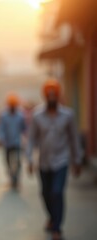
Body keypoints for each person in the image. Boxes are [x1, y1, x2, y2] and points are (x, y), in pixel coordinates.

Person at [26, 78, 83, 240]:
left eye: (54, 94)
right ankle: (52, 218)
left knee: (57, 193)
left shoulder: (68, 115)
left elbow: (74, 138)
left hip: (61, 161)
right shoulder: (37, 115)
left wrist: (77, 160)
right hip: (44, 162)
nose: (51, 97)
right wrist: (29, 158)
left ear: (58, 95)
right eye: (48, 94)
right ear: (45, 95)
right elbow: (31, 139)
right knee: (45, 193)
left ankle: (57, 228)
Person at [0, 93, 26, 189]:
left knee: (17, 161)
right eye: (11, 105)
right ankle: (11, 177)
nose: (13, 106)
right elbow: (0, 128)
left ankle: (16, 179)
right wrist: (0, 138)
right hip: (7, 143)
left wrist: (25, 138)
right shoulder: (4, 116)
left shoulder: (20, 116)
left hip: (17, 142)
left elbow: (24, 128)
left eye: (14, 105)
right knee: (8, 161)